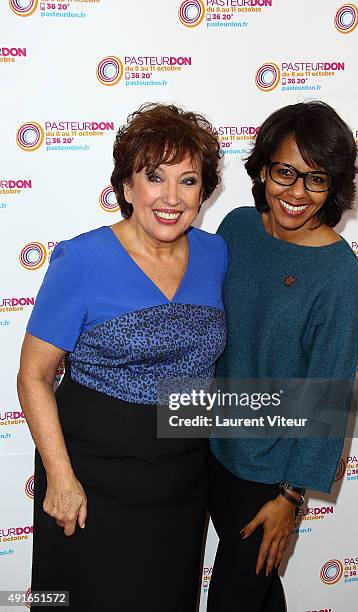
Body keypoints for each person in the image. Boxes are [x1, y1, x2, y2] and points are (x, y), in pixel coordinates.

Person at [17, 102, 228, 612]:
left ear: (204, 192)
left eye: (189, 180)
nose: (171, 197)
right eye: (155, 177)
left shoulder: (216, 254)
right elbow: (34, 376)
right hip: (89, 480)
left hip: (180, 480)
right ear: (127, 185)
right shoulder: (82, 259)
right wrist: (62, 479)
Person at [207, 101, 358, 611]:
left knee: (235, 596)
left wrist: (290, 498)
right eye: (285, 173)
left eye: (315, 180)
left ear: (333, 187)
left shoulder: (339, 274)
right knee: (255, 593)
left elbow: (330, 391)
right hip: (205, 445)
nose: (297, 193)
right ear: (263, 170)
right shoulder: (236, 228)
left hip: (267, 472)